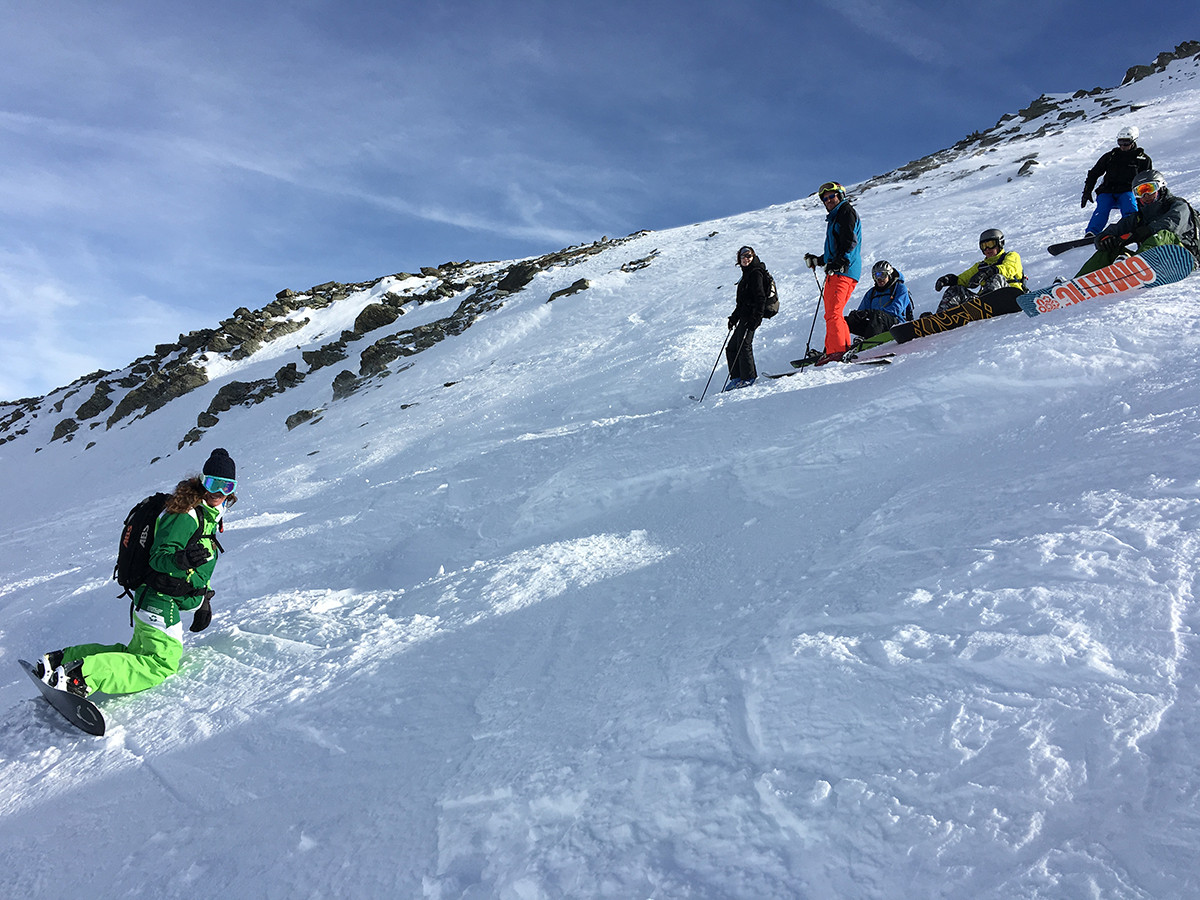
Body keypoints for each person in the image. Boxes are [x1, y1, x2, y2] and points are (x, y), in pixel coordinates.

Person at [35, 448, 238, 698]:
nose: (218, 492)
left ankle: (61, 661)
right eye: (213, 483)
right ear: (202, 481)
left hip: (156, 597)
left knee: (136, 656)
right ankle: (80, 677)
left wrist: (201, 599)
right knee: (159, 664)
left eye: (226, 487)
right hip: (160, 599)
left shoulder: (208, 516)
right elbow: (159, 559)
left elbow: (195, 572)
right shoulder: (187, 516)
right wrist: (181, 559)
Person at [1075, 169, 1200, 278]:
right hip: (1152, 264)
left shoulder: (1179, 206)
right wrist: (1103, 239)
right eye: (1140, 192)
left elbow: (1170, 225)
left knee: (1162, 235)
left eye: (1150, 189)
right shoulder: (1139, 217)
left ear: (1161, 188)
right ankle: (1076, 285)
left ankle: (1133, 269)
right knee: (1109, 250)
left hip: (1184, 258)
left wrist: (1143, 232)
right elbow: (1116, 228)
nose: (1145, 195)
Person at [804, 181, 861, 359]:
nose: (829, 200)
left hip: (843, 271)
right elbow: (836, 249)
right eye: (825, 198)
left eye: (832, 196)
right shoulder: (836, 216)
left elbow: (849, 242)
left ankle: (836, 352)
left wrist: (841, 261)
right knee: (833, 313)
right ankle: (840, 348)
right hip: (841, 270)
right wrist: (819, 260)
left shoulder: (845, 212)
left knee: (833, 313)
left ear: (841, 196)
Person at [1081, 126, 1153, 237]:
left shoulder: (1142, 159)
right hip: (1108, 190)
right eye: (1120, 142)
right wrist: (1087, 192)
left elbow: (1147, 179)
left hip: (1127, 191)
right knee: (1102, 208)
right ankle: (1092, 233)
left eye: (1126, 143)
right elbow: (1094, 173)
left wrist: (1146, 197)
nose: (1123, 146)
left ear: (1133, 141)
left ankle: (1131, 229)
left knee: (1129, 206)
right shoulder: (1110, 157)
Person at [932, 229, 1025, 314]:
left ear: (1000, 243)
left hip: (1010, 296)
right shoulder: (980, 266)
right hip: (982, 305)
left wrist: (988, 272)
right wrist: (949, 280)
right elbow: (964, 279)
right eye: (984, 246)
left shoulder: (1011, 256)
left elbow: (1009, 268)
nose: (987, 249)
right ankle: (942, 317)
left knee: (997, 277)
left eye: (990, 244)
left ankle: (987, 303)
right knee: (955, 289)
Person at [724, 245, 768, 390]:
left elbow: (760, 298)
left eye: (749, 256)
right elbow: (741, 303)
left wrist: (756, 318)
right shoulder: (745, 276)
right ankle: (737, 378)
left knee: (744, 345)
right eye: (743, 256)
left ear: (753, 256)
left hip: (751, 317)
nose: (746, 259)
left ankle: (749, 378)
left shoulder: (756, 273)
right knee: (731, 348)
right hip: (743, 317)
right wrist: (733, 318)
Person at [846, 260, 911, 338]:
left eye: (882, 275)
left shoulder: (900, 288)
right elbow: (863, 310)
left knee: (877, 316)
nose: (879, 279)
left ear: (889, 275)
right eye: (876, 276)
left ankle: (870, 343)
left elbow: (895, 310)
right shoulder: (871, 292)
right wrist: (857, 315)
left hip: (895, 324)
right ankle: (838, 347)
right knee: (845, 321)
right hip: (875, 324)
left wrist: (871, 313)